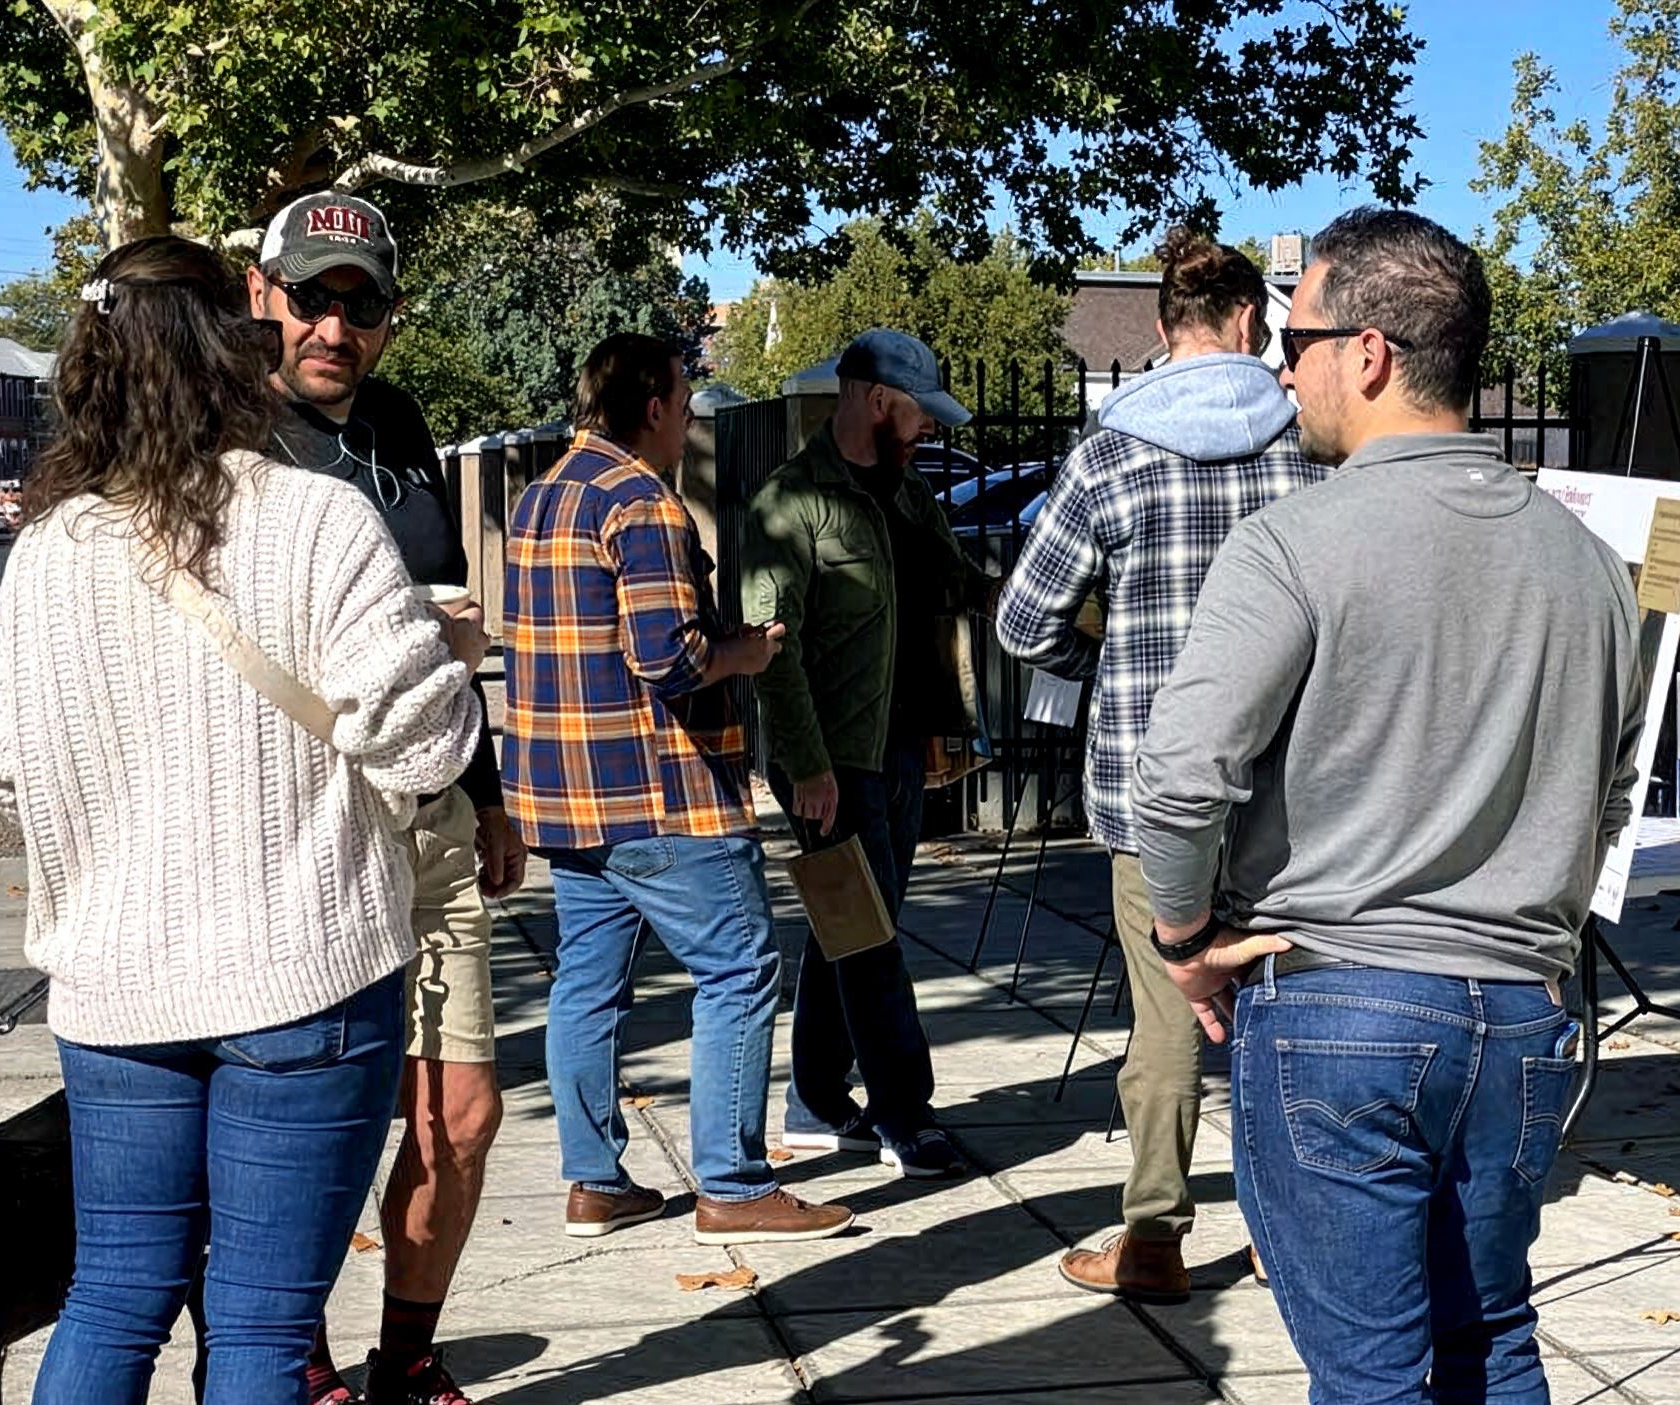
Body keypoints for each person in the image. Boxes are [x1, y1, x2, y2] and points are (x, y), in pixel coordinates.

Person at [1129, 208, 1646, 1405]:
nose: (1279, 367)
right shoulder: (1586, 559)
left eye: (1294, 337)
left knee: (1370, 1370)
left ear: (1369, 349)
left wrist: (1183, 933)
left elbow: (1181, 775)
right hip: (1516, 1006)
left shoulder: (1296, 539)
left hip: (1337, 995)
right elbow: (1607, 781)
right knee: (1491, 1334)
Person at [0, 235, 481, 1405]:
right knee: (258, 1322)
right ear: (229, 356)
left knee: (114, 1296)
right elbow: (426, 749)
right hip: (299, 972)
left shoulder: (49, 547)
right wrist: (447, 658)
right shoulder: (315, 520)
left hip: (115, 986)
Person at [245, 189, 531, 1405]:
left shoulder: (402, 431)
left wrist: (487, 788)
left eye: (360, 303)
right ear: (266, 296)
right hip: (299, 823)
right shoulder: (232, 438)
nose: (334, 324)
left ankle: (402, 1367)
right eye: (314, 297)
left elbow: (439, 634)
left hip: (426, 811)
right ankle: (299, 1384)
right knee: (310, 1124)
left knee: (458, 1111)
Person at [997, 231, 1323, 1302]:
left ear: (1161, 328)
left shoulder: (1110, 450)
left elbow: (1022, 621)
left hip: (1151, 779)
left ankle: (1153, 1236)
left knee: (1167, 1012)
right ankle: (1288, 1232)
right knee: (1283, 1006)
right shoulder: (1304, 446)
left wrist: (1099, 664)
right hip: (1290, 774)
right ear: (1248, 322)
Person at [502, 332, 851, 1243]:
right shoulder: (642, 504)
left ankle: (593, 1182)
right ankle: (732, 1187)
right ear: (652, 405)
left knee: (586, 984)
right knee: (739, 968)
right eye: (685, 398)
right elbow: (669, 659)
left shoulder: (541, 497)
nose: (691, 413)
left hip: (564, 795)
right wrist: (753, 648)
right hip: (663, 792)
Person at [743, 330, 980, 1180]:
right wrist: (806, 768)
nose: (928, 432)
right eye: (920, 414)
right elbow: (777, 653)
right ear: (879, 400)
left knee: (846, 930)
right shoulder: (789, 504)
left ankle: (812, 1099)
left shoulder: (905, 490)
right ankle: (905, 1115)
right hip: (834, 760)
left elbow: (954, 588)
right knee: (870, 941)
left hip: (902, 746)